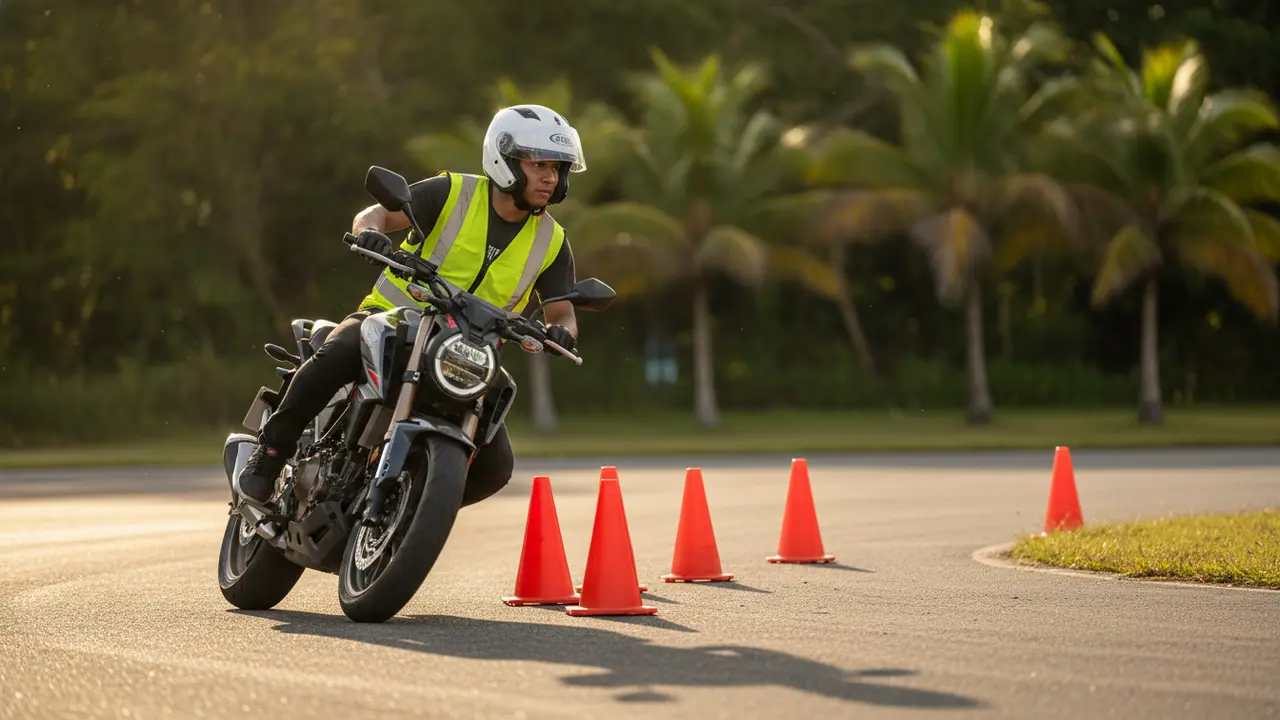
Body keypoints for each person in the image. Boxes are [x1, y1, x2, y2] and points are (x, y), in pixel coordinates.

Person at [234, 104, 586, 509]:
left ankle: (406, 513)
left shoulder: (552, 241)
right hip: (391, 319)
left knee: (497, 467)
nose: (549, 177)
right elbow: (376, 214)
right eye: (539, 164)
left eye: (556, 168)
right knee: (339, 350)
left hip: (467, 351)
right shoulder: (454, 192)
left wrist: (563, 333)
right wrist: (369, 233)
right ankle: (270, 454)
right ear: (504, 159)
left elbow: (562, 312)